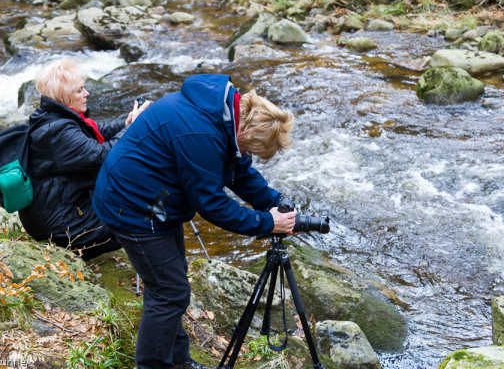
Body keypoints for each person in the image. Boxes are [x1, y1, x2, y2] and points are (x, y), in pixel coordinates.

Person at [92, 74, 297, 369]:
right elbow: (212, 204)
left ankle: (178, 361)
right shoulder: (201, 134)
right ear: (247, 130)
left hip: (156, 201)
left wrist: (273, 203)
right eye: (251, 149)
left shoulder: (224, 116)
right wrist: (266, 223)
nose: (249, 155)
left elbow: (239, 171)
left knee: (168, 283)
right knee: (170, 291)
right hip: (131, 205)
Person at [18, 58, 149, 260]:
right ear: (64, 96)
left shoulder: (53, 117)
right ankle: (157, 272)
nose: (86, 93)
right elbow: (102, 156)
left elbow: (96, 132)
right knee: (147, 213)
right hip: (64, 226)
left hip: (61, 212)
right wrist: (132, 129)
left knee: (142, 203)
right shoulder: (57, 131)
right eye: (79, 90)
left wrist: (126, 122)